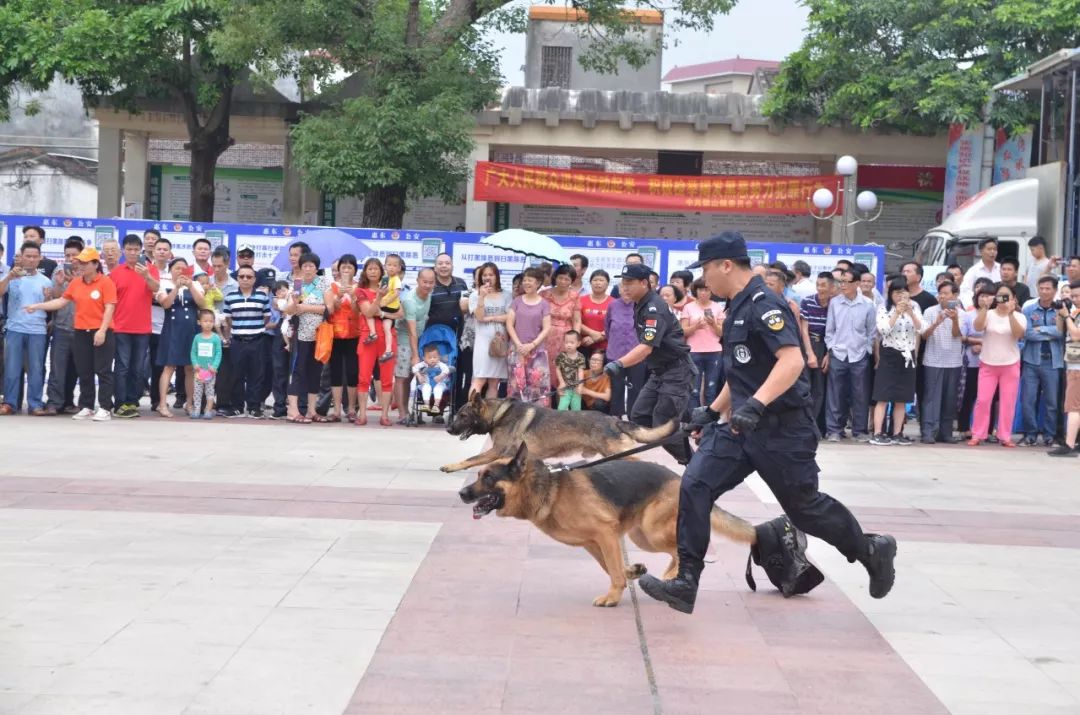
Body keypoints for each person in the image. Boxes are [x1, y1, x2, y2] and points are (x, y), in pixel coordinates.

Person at [637, 233, 897, 614]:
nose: (704, 279)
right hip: (741, 428)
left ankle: (871, 549)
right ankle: (686, 581)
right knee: (695, 485)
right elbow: (741, 370)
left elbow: (791, 361)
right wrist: (712, 410)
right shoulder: (736, 306)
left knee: (804, 508)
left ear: (726, 265)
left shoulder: (764, 305)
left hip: (782, 428)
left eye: (707, 269)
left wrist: (756, 404)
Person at [603, 263, 693, 465]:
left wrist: (619, 363)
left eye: (629, 282)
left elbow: (646, 347)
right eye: (623, 282)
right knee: (639, 414)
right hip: (659, 372)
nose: (624, 287)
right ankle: (691, 421)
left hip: (676, 371)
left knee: (663, 426)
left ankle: (693, 463)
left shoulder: (654, 308)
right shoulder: (640, 303)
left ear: (644, 283)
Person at [24, 248, 117, 422]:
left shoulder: (106, 282)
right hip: (80, 332)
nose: (80, 265)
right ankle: (87, 406)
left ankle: (104, 407)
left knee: (103, 371)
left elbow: (110, 307)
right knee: (84, 371)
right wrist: (37, 306)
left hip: (101, 331)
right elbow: (61, 301)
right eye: (79, 262)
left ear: (96, 264)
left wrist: (102, 330)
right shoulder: (76, 283)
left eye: (85, 263)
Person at [968, 283, 1027, 448]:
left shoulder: (1019, 316)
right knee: (983, 400)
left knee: (1008, 402)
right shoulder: (989, 314)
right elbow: (977, 327)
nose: (1002, 299)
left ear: (1013, 299)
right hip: (988, 362)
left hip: (1010, 363)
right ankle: (978, 434)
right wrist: (985, 308)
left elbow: (1018, 334)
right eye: (1000, 296)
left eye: (1006, 296)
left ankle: (1005, 435)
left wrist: (1010, 313)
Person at [0, 242, 54, 415]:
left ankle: (35, 404)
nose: (31, 260)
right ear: (21, 257)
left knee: (36, 369)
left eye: (34, 257)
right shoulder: (12, 277)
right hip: (15, 328)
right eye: (27, 256)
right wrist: (8, 277)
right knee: (12, 368)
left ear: (39, 258)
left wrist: (47, 300)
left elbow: (50, 307)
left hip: (37, 330)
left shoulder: (46, 281)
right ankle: (9, 403)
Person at [824, 268, 877, 442]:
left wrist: (867, 350)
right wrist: (831, 347)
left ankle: (859, 430)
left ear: (857, 283)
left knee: (860, 394)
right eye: (841, 282)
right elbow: (830, 329)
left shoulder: (868, 304)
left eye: (846, 282)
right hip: (838, 353)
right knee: (835, 393)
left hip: (859, 354)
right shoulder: (835, 303)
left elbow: (871, 331)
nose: (842, 285)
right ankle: (834, 430)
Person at [111, 234, 160, 418]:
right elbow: (110, 301)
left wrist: (146, 275)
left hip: (142, 328)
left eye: (135, 250)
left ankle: (132, 401)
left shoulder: (150, 269)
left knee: (138, 368)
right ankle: (120, 403)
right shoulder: (116, 272)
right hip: (121, 327)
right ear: (123, 251)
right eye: (129, 249)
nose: (132, 253)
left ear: (141, 251)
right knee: (122, 367)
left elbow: (156, 288)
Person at [869, 278, 924, 445]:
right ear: (890, 294)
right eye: (896, 292)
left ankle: (897, 433)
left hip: (908, 355)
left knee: (902, 397)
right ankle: (878, 433)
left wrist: (911, 313)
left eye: (903, 292)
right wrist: (897, 312)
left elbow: (922, 328)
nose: (900, 296)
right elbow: (884, 329)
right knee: (883, 396)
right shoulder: (883, 308)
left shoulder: (914, 307)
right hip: (889, 354)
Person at [283, 252, 331, 424]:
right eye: (305, 266)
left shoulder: (324, 283)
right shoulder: (297, 284)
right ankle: (293, 410)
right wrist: (295, 302)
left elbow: (329, 308)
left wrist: (305, 307)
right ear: (300, 268)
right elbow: (289, 310)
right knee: (297, 371)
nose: (308, 269)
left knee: (315, 373)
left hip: (319, 336)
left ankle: (312, 410)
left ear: (317, 268)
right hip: (301, 335)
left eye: (312, 266)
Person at [155, 259, 207, 417]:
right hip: (172, 330)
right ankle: (162, 404)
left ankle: (189, 403)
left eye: (184, 269)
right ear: (171, 270)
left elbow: (203, 304)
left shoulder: (195, 285)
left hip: (191, 330)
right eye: (177, 268)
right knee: (169, 366)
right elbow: (165, 304)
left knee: (191, 368)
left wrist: (190, 285)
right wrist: (176, 287)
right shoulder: (163, 284)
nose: (181, 271)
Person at [1020, 276, 1065, 446]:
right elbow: (1027, 333)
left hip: (1053, 362)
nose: (1044, 291)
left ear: (1054, 290)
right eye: (1041, 288)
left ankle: (1049, 435)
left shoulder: (1060, 309)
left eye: (1048, 288)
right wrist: (1050, 333)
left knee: (1052, 402)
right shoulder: (1029, 309)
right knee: (1028, 400)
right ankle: (1030, 434)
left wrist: (1042, 329)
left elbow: (1061, 333)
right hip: (1032, 360)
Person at [356, 258, 400, 427]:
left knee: (387, 377)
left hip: (388, 337)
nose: (373, 271)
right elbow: (367, 312)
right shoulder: (361, 291)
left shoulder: (391, 289)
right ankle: (362, 414)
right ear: (365, 272)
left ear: (382, 271)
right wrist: (379, 300)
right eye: (370, 269)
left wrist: (382, 314)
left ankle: (385, 415)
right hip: (368, 338)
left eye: (376, 269)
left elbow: (399, 313)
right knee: (364, 377)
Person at [223, 265, 271, 419]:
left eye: (249, 277)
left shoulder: (262, 297)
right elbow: (228, 319)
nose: (245, 279)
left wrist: (254, 328)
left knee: (256, 375)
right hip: (237, 341)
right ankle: (237, 407)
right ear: (237, 278)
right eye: (242, 276)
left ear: (254, 279)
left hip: (257, 341)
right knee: (236, 375)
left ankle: (254, 407)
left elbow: (267, 317)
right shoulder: (230, 297)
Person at [919, 281, 964, 444]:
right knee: (931, 397)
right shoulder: (930, 311)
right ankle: (928, 431)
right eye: (941, 293)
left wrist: (954, 320)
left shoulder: (961, 313)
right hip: (933, 360)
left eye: (946, 293)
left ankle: (945, 432)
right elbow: (924, 335)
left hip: (953, 361)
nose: (942, 296)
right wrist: (937, 322)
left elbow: (958, 335)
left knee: (949, 398)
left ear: (955, 296)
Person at [44, 240, 84, 415]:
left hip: (82, 328)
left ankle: (68, 401)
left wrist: (76, 280)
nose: (70, 258)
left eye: (74, 255)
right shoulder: (58, 271)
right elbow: (56, 298)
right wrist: (59, 284)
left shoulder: (88, 273)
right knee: (57, 368)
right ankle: (54, 402)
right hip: (61, 326)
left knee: (76, 369)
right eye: (67, 255)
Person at [393, 267, 436, 425]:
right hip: (404, 340)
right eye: (425, 282)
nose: (428, 285)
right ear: (418, 281)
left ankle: (407, 411)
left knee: (409, 377)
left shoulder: (429, 296)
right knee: (401, 377)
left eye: (431, 282)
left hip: (418, 339)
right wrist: (415, 355)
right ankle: (402, 413)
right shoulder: (410, 300)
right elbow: (411, 332)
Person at [321, 254, 360, 423]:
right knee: (335, 371)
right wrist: (338, 296)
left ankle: (351, 408)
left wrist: (351, 295)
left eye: (349, 267)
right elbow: (329, 310)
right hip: (335, 334)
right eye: (343, 267)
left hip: (354, 333)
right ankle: (336, 409)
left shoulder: (359, 288)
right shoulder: (331, 288)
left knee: (352, 371)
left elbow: (359, 311)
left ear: (354, 270)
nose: (345, 270)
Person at [506, 267, 552, 405]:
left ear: (538, 283)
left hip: (537, 351)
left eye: (530, 280)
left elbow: (547, 328)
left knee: (538, 386)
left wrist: (532, 345)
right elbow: (509, 324)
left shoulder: (544, 304)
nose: (526, 283)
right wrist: (519, 345)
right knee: (516, 386)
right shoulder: (517, 301)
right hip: (517, 350)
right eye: (524, 280)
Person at [958, 283, 995, 439]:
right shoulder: (969, 315)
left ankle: (987, 429)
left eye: (987, 296)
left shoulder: (996, 315)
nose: (984, 299)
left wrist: (982, 344)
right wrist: (976, 342)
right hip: (972, 362)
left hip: (992, 361)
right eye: (981, 296)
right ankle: (964, 427)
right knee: (968, 394)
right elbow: (963, 337)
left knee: (989, 397)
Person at [469, 262, 511, 398]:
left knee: (494, 382)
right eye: (485, 275)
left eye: (491, 275)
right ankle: (471, 414)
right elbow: (480, 317)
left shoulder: (506, 294)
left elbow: (509, 316)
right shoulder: (475, 295)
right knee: (479, 379)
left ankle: (488, 416)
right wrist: (482, 296)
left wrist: (492, 318)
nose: (488, 278)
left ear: (497, 276)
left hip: (500, 341)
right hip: (483, 341)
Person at [680, 277, 723, 409]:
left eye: (706, 289)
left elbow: (722, 333)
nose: (703, 293)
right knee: (694, 389)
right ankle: (694, 420)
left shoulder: (717, 307)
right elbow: (682, 331)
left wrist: (713, 324)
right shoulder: (688, 307)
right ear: (695, 291)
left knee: (711, 388)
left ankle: (709, 421)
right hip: (694, 351)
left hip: (714, 351)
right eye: (700, 290)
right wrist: (695, 327)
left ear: (711, 291)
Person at [800, 272, 834, 432]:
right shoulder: (807, 302)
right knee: (805, 387)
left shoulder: (835, 304)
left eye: (823, 285)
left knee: (820, 390)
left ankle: (815, 426)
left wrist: (829, 354)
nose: (820, 288)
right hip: (809, 345)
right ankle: (803, 424)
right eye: (818, 285)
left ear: (832, 287)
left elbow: (836, 331)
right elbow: (804, 330)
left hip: (827, 346)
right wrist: (810, 354)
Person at [1049, 280, 1080, 456]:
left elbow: (1076, 335)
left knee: (1073, 407)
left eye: (1077, 296)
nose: (1074, 299)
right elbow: (1061, 330)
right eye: (1071, 295)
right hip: (1073, 364)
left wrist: (1067, 316)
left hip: (1078, 366)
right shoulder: (1075, 312)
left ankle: (1068, 445)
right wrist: (1061, 315)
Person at [604, 290, 643, 419]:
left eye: (629, 288)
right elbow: (607, 328)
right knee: (616, 387)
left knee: (636, 387)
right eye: (623, 288)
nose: (627, 291)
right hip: (616, 353)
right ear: (619, 290)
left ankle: (634, 417)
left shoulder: (641, 305)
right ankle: (616, 417)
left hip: (637, 354)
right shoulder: (612, 305)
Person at [542, 264, 582, 382]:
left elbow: (577, 320)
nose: (563, 281)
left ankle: (561, 400)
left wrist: (575, 340)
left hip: (566, 340)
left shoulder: (574, 296)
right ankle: (545, 401)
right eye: (561, 278)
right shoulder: (544, 295)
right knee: (543, 373)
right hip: (545, 338)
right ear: (555, 277)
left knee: (563, 375)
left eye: (567, 279)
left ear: (571, 281)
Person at [148, 237, 173, 412]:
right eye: (159, 249)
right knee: (138, 365)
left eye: (165, 249)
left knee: (160, 364)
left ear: (170, 253)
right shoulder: (146, 270)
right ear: (153, 251)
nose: (162, 252)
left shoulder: (174, 274)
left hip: (166, 326)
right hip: (144, 325)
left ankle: (157, 400)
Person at [190, 309, 222, 419]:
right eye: (205, 321)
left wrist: (214, 366)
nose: (208, 324)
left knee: (210, 391)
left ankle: (208, 410)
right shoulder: (197, 337)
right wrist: (195, 364)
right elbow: (193, 352)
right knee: (197, 392)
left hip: (210, 371)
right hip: (199, 371)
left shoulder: (216, 338)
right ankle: (197, 409)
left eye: (211, 321)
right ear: (199, 322)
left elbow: (218, 353)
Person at [373, 254, 404, 363]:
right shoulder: (385, 278)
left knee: (387, 329)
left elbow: (396, 293)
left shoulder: (396, 279)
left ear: (399, 268)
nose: (391, 267)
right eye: (389, 265)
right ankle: (372, 334)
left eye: (395, 265)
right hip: (383, 306)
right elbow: (379, 290)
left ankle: (388, 350)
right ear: (385, 266)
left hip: (390, 308)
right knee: (370, 316)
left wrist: (384, 302)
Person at [578, 270, 613, 361]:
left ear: (607, 283)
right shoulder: (581, 300)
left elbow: (615, 325)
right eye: (595, 280)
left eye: (601, 280)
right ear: (590, 282)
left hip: (606, 348)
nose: (598, 283)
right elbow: (576, 322)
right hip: (584, 345)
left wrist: (597, 338)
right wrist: (592, 334)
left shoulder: (614, 302)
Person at [267, 281, 290, 419]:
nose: (282, 292)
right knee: (279, 369)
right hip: (282, 328)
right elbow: (280, 306)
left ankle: (300, 406)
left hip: (296, 326)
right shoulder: (276, 301)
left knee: (297, 370)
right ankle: (280, 406)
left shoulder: (296, 294)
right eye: (278, 290)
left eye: (284, 289)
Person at [960, 238, 1002, 307]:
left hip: (999, 308)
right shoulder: (973, 271)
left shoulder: (1001, 269)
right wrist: (970, 307)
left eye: (995, 249)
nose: (992, 252)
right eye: (989, 249)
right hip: (980, 308)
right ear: (981, 251)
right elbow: (965, 291)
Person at [412, 344, 450, 413]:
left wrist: (441, 376)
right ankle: (426, 405)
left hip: (439, 383)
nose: (432, 359)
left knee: (438, 389)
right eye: (429, 358)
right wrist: (419, 376)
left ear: (438, 357)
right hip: (427, 383)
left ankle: (436, 405)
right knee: (426, 388)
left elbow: (446, 369)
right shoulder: (423, 364)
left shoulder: (440, 364)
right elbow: (414, 368)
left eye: (435, 357)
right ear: (424, 358)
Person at [555, 330, 586, 411]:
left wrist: (580, 385)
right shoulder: (561, 356)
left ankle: (576, 423)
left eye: (572, 343)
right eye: (566, 342)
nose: (568, 345)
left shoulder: (580, 357)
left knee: (576, 410)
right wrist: (561, 382)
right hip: (565, 388)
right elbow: (558, 369)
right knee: (561, 408)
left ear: (578, 343)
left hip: (576, 388)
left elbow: (580, 371)